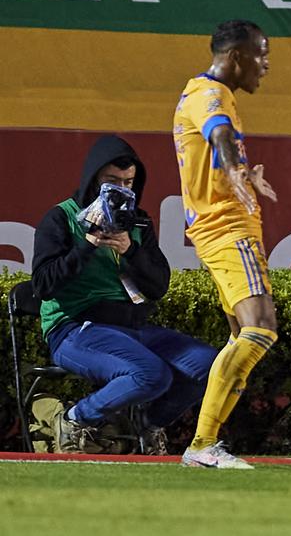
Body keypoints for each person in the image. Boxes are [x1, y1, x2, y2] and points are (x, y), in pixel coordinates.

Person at [32, 134, 218, 455]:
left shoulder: (138, 222)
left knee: (212, 366)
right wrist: (86, 246)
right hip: (75, 328)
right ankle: (74, 419)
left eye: (128, 182)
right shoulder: (61, 218)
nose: (121, 189)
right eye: (111, 181)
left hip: (132, 330)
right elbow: (43, 285)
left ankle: (147, 424)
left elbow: (158, 286)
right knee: (150, 374)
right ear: (93, 179)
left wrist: (131, 250)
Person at [172, 19, 279, 470]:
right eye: (261, 54)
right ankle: (202, 445)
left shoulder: (207, 93)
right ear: (236, 56)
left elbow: (218, 140)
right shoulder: (211, 95)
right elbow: (217, 134)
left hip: (220, 229)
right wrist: (236, 170)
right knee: (261, 327)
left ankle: (205, 444)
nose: (266, 65)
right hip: (227, 228)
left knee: (242, 335)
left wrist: (241, 171)